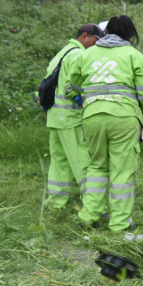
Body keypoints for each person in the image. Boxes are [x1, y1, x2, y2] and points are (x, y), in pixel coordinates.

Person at [67, 15, 143, 232]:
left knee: (97, 166)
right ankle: (119, 223)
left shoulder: (88, 54)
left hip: (92, 116)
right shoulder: (133, 54)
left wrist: (87, 99)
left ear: (105, 32)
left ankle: (88, 217)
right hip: (124, 117)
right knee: (122, 170)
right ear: (129, 35)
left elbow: (74, 84)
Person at [40, 23, 104, 208]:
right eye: (95, 41)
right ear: (85, 36)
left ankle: (55, 204)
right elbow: (73, 88)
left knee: (59, 162)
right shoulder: (79, 55)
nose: (96, 45)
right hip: (71, 119)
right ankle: (94, 208)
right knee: (82, 162)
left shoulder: (62, 53)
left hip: (55, 118)